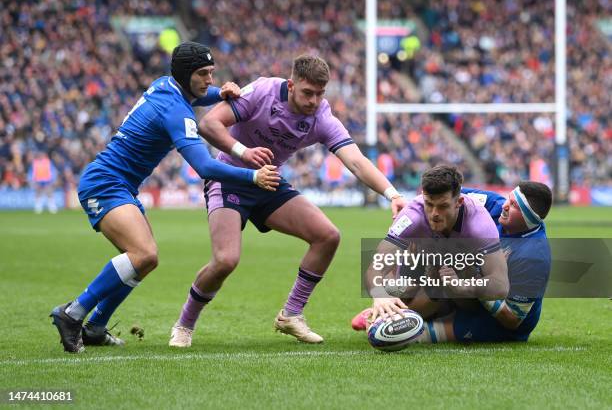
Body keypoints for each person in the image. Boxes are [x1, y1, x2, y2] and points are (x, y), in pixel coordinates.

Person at [50, 42, 280, 353]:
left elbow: (201, 94)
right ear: (186, 75)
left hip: (117, 184)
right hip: (105, 184)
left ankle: (95, 326)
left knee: (144, 261)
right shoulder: (175, 111)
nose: (210, 80)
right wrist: (252, 175)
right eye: (203, 74)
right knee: (143, 254)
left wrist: (222, 94)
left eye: (212, 73)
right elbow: (203, 166)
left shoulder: (166, 86)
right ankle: (73, 313)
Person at [168, 54, 407, 347]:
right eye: (308, 93)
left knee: (327, 236)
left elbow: (355, 161)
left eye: (320, 94)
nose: (314, 101)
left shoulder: (321, 117)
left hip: (268, 183)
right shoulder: (262, 92)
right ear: (291, 85)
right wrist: (244, 152)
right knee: (225, 260)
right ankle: (184, 325)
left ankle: (291, 314)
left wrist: (392, 194)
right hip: (230, 177)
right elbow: (209, 124)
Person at [353, 181, 552, 344]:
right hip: (466, 284)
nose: (505, 205)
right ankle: (388, 307)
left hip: (497, 322)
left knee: (412, 336)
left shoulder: (533, 256)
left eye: (515, 206)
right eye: (509, 198)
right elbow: (447, 194)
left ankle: (388, 318)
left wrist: (469, 282)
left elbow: (513, 320)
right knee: (424, 254)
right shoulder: (493, 204)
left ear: (529, 218)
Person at [354, 165, 509, 324]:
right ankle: (383, 311)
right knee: (398, 289)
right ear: (423, 196)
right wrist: (380, 295)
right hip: (424, 256)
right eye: (429, 204)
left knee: (464, 300)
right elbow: (376, 267)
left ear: (459, 202)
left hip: (462, 268)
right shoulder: (412, 215)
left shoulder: (479, 224)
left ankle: (388, 318)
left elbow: (500, 285)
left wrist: (462, 287)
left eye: (443, 206)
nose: (434, 213)